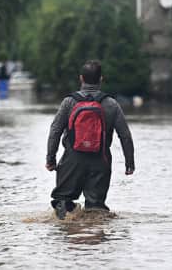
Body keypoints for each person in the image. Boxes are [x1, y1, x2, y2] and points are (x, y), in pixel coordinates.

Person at [46, 60, 135, 219]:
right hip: (100, 161)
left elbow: (55, 131)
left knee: (62, 203)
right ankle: (94, 240)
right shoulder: (111, 104)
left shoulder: (69, 102)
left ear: (81, 78)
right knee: (96, 211)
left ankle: (68, 238)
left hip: (72, 160)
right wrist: (129, 163)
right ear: (101, 79)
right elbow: (125, 136)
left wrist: (50, 159)